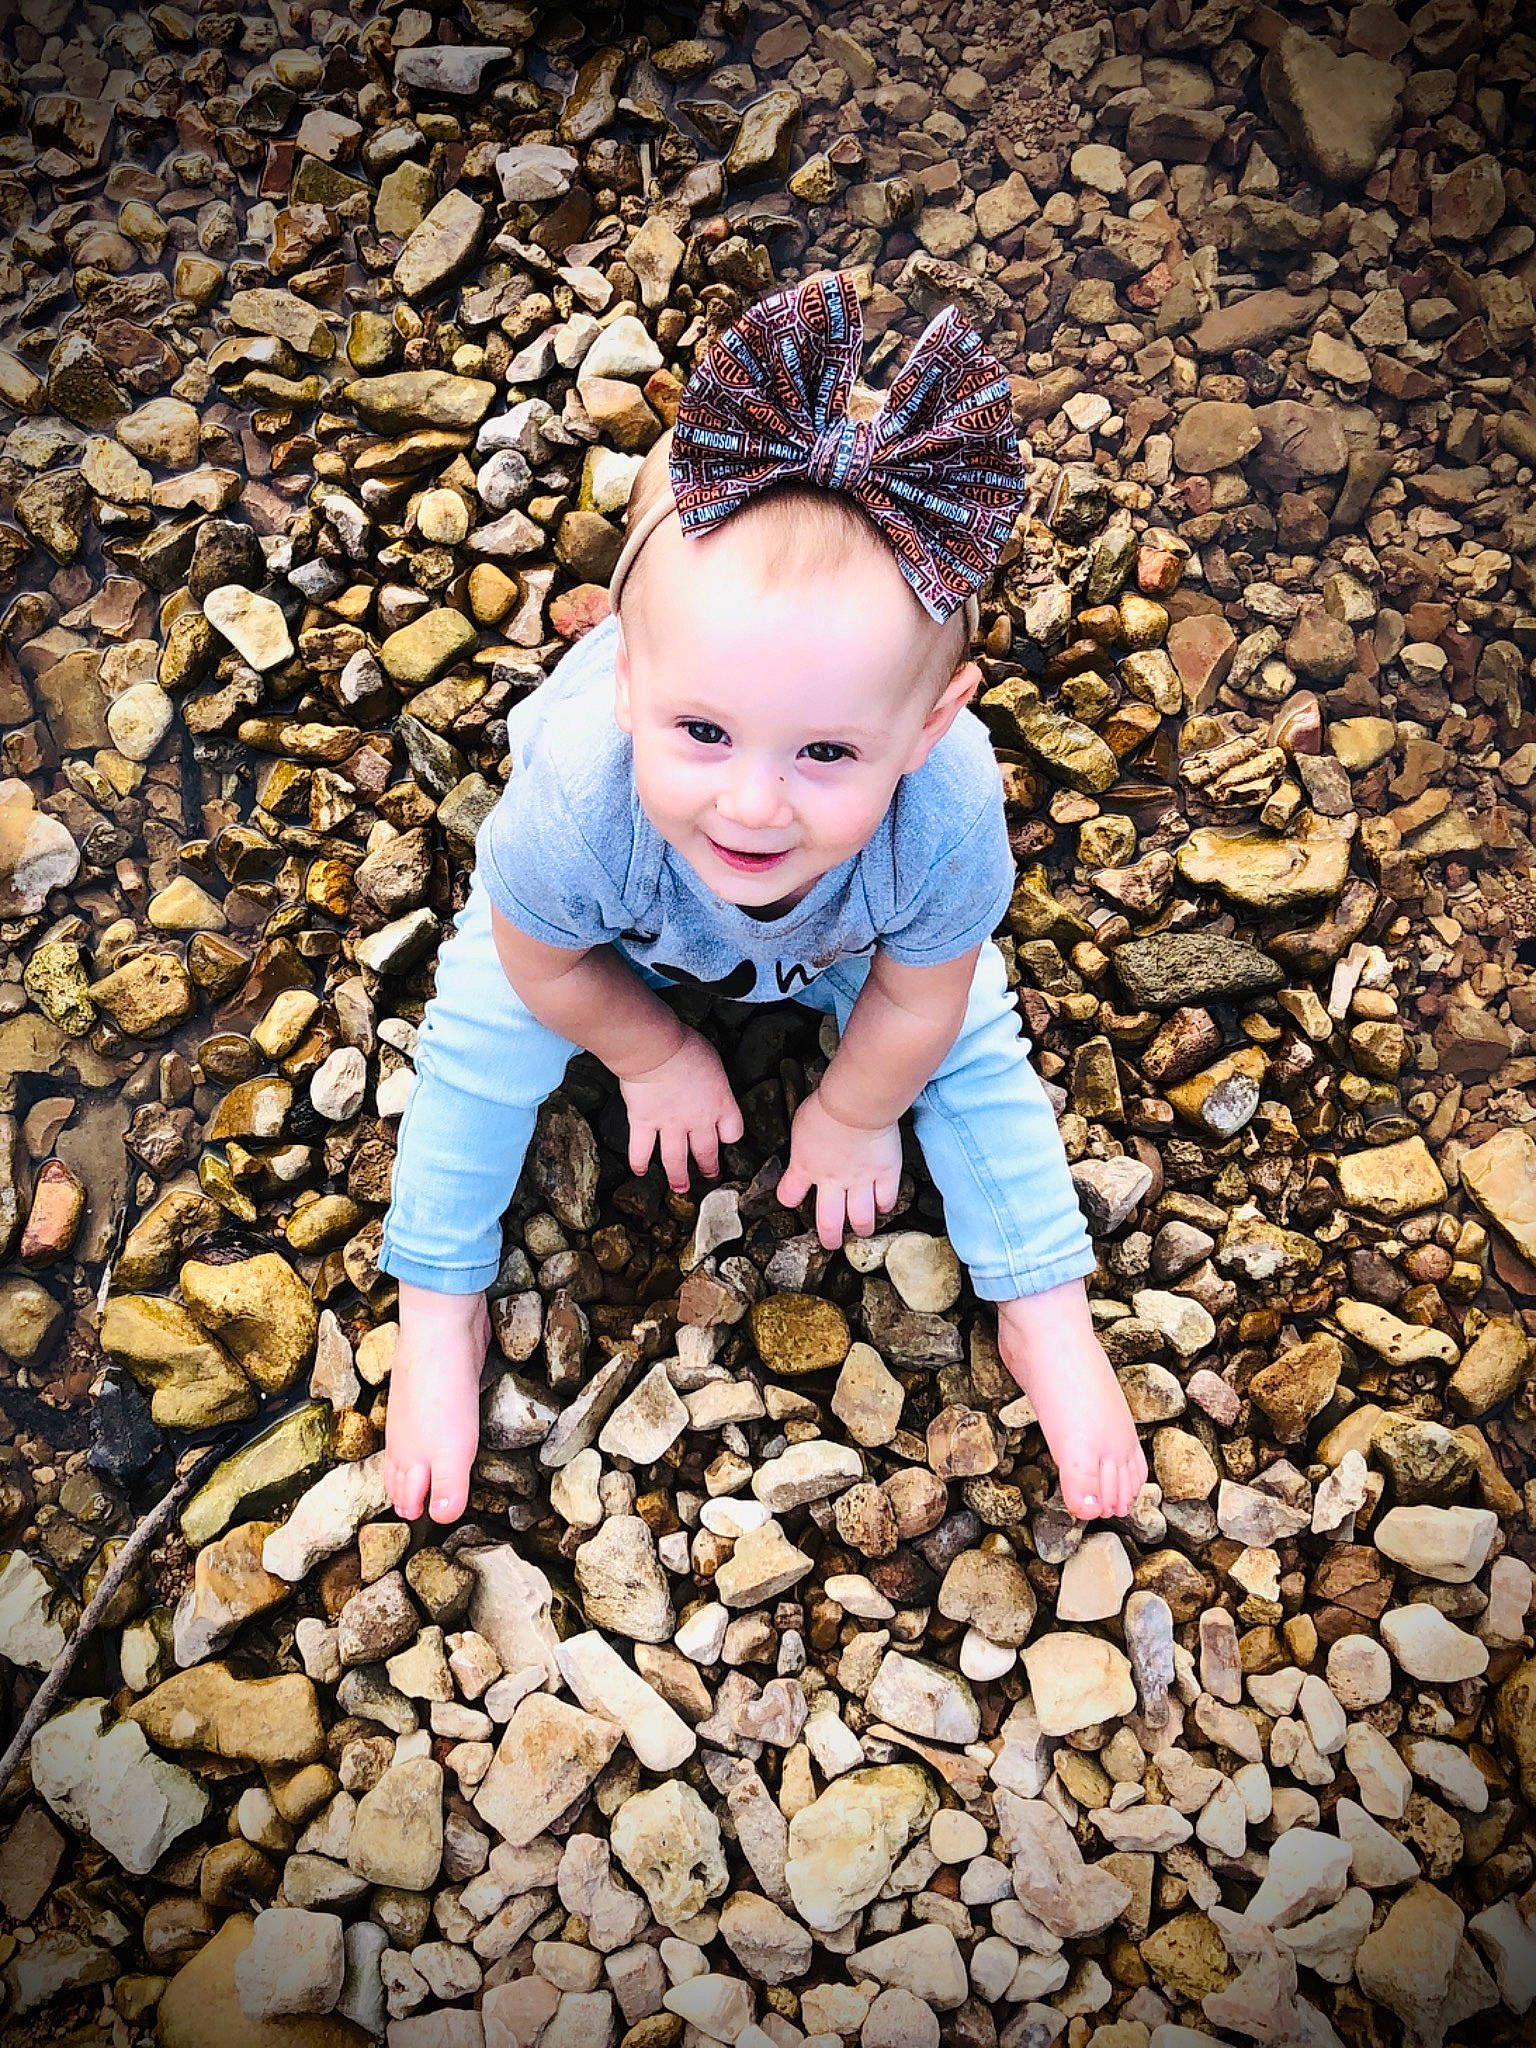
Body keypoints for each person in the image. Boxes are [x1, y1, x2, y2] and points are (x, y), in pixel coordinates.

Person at [379, 269, 1148, 1529]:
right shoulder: (584, 800)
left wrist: (852, 1111)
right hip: (609, 933)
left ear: (929, 725)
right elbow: (541, 960)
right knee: (477, 1038)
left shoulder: (941, 814)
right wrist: (651, 1050)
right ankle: (437, 1296)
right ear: (627, 682)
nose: (751, 805)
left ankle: (1045, 1301)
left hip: (839, 934)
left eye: (825, 753)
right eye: (703, 729)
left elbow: (920, 992)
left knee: (970, 1050)